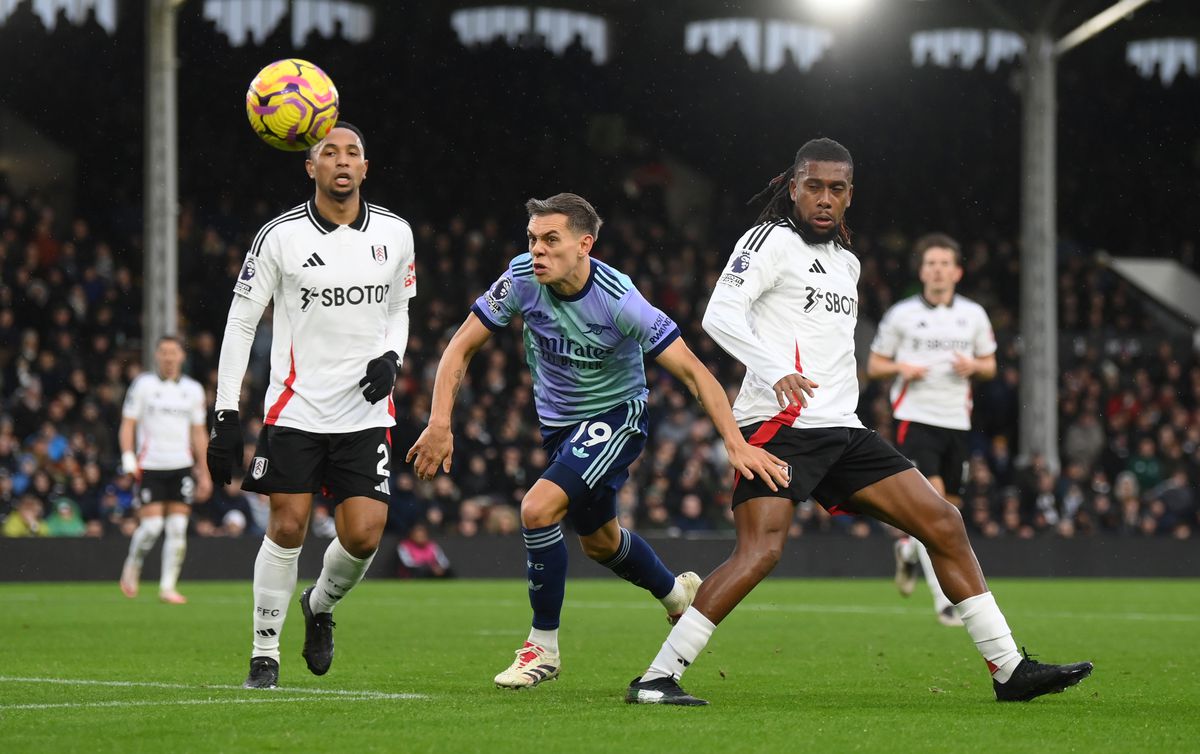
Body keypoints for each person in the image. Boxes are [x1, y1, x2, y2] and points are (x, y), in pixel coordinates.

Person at [626, 138, 1092, 706]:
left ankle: (1008, 668)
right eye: (814, 186)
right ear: (793, 188)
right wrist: (774, 370)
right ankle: (657, 678)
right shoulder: (769, 241)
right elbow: (718, 315)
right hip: (781, 424)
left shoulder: (848, 261)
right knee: (760, 553)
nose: (825, 198)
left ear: (850, 195)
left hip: (842, 430)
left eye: (837, 188)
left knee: (943, 522)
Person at [407, 193, 789, 690]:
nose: (537, 251)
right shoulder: (521, 278)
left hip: (617, 416)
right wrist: (440, 422)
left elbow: (695, 373)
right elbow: (461, 345)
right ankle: (676, 594)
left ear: (585, 244)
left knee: (537, 509)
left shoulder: (618, 298)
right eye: (532, 239)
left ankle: (542, 647)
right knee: (601, 543)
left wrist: (734, 443)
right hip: (560, 427)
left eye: (551, 240)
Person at [206, 122, 417, 690]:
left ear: (366, 168)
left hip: (365, 412)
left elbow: (398, 308)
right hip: (295, 409)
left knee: (365, 535)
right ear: (311, 166)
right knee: (289, 524)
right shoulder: (280, 236)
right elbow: (241, 321)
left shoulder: (396, 234)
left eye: (353, 152)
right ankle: (263, 655)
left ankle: (319, 605)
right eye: (330, 152)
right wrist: (226, 414)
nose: (342, 160)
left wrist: (391, 358)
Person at [867, 233, 996, 626]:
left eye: (944, 263)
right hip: (916, 418)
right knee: (935, 507)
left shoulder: (973, 315)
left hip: (957, 422)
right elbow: (874, 365)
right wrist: (901, 368)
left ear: (957, 271)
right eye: (930, 263)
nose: (937, 269)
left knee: (949, 513)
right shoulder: (902, 314)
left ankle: (907, 552)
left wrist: (973, 367)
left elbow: (991, 365)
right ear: (922, 271)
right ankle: (946, 601)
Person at [118, 335, 212, 604]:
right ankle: (133, 564)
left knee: (178, 528)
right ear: (157, 355)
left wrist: (203, 471)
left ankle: (167, 587)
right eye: (164, 352)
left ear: (182, 356)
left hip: (180, 466)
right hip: (150, 465)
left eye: (174, 352)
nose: (169, 357)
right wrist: (128, 456)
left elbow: (198, 433)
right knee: (151, 527)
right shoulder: (143, 385)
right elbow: (128, 423)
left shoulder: (193, 390)